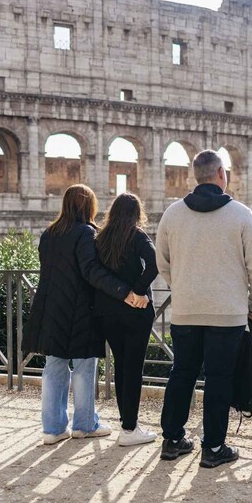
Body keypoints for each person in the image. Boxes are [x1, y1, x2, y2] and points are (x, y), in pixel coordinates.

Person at [157, 149, 252, 468]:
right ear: (221, 174)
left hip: (185, 310)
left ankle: (172, 440)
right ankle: (214, 447)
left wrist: (181, 285)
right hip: (227, 312)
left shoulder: (172, 214)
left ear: (196, 175)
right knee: (220, 379)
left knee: (182, 374)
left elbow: (162, 261)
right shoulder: (241, 214)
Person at [22, 184, 148, 446]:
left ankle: (53, 428)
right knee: (84, 365)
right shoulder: (86, 233)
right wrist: (124, 292)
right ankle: (84, 424)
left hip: (50, 308)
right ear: (88, 206)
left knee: (54, 366)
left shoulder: (49, 233)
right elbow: (91, 271)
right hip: (79, 308)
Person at [94, 192, 158, 447]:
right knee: (133, 369)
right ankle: (129, 428)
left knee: (121, 367)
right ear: (136, 213)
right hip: (135, 311)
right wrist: (139, 291)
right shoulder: (137, 235)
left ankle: (126, 424)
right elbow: (155, 264)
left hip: (108, 311)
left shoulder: (101, 236)